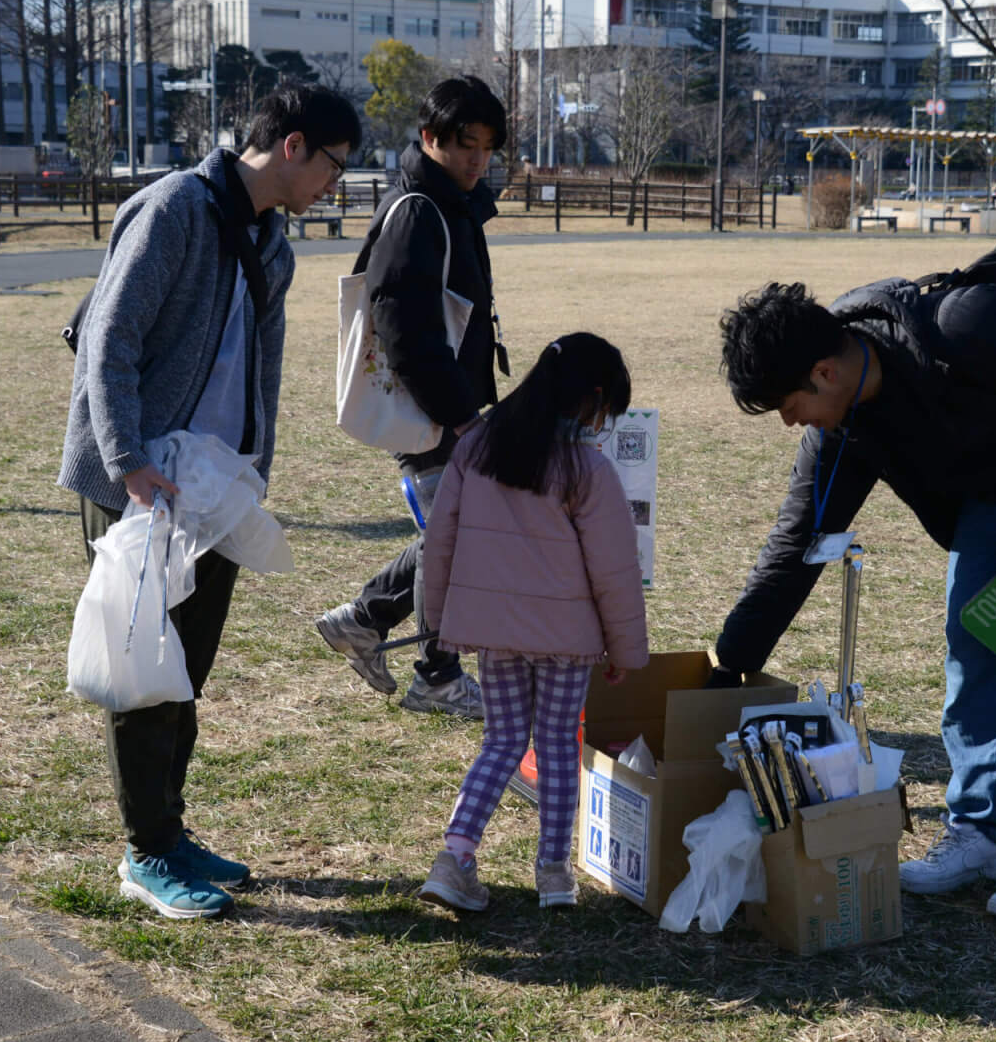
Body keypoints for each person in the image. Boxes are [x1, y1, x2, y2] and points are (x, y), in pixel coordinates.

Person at [707, 273, 996, 924]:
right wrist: (730, 663)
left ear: (822, 372)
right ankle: (979, 834)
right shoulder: (841, 427)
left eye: (787, 405)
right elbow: (801, 539)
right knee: (977, 646)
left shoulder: (964, 323)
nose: (790, 422)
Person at [58, 83, 361, 919]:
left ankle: (170, 829)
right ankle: (145, 852)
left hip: (213, 485)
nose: (335, 185)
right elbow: (109, 340)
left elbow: (259, 370)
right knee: (143, 668)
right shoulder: (173, 211)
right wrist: (125, 462)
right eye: (335, 165)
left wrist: (253, 470)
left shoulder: (273, 247)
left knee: (187, 670)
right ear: (293, 146)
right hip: (142, 481)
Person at [415, 334, 648, 911]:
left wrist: (442, 620)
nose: (602, 424)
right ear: (591, 399)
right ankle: (554, 873)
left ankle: (456, 857)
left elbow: (437, 542)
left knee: (500, 742)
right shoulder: (585, 468)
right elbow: (615, 571)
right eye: (604, 412)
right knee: (556, 744)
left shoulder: (476, 449)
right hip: (567, 643)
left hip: (492, 635)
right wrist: (626, 652)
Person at [314, 76, 511, 719]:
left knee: (454, 532)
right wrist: (458, 416)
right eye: (464, 144)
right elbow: (404, 328)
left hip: (448, 403)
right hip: (431, 409)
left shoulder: (452, 202)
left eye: (486, 146)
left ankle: (364, 620)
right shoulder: (419, 211)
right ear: (430, 138)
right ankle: (436, 674)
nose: (476, 158)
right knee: (457, 536)